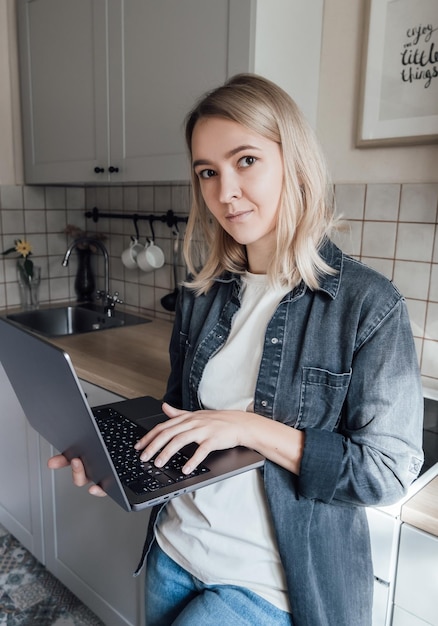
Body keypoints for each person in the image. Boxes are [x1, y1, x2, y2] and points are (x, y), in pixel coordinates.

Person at [49, 73, 424, 626]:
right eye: (208, 171)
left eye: (245, 160)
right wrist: (121, 459)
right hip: (174, 553)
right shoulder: (205, 293)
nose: (225, 192)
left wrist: (248, 427)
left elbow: (387, 473)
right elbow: (180, 415)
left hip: (269, 585)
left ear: (292, 162)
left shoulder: (368, 305)